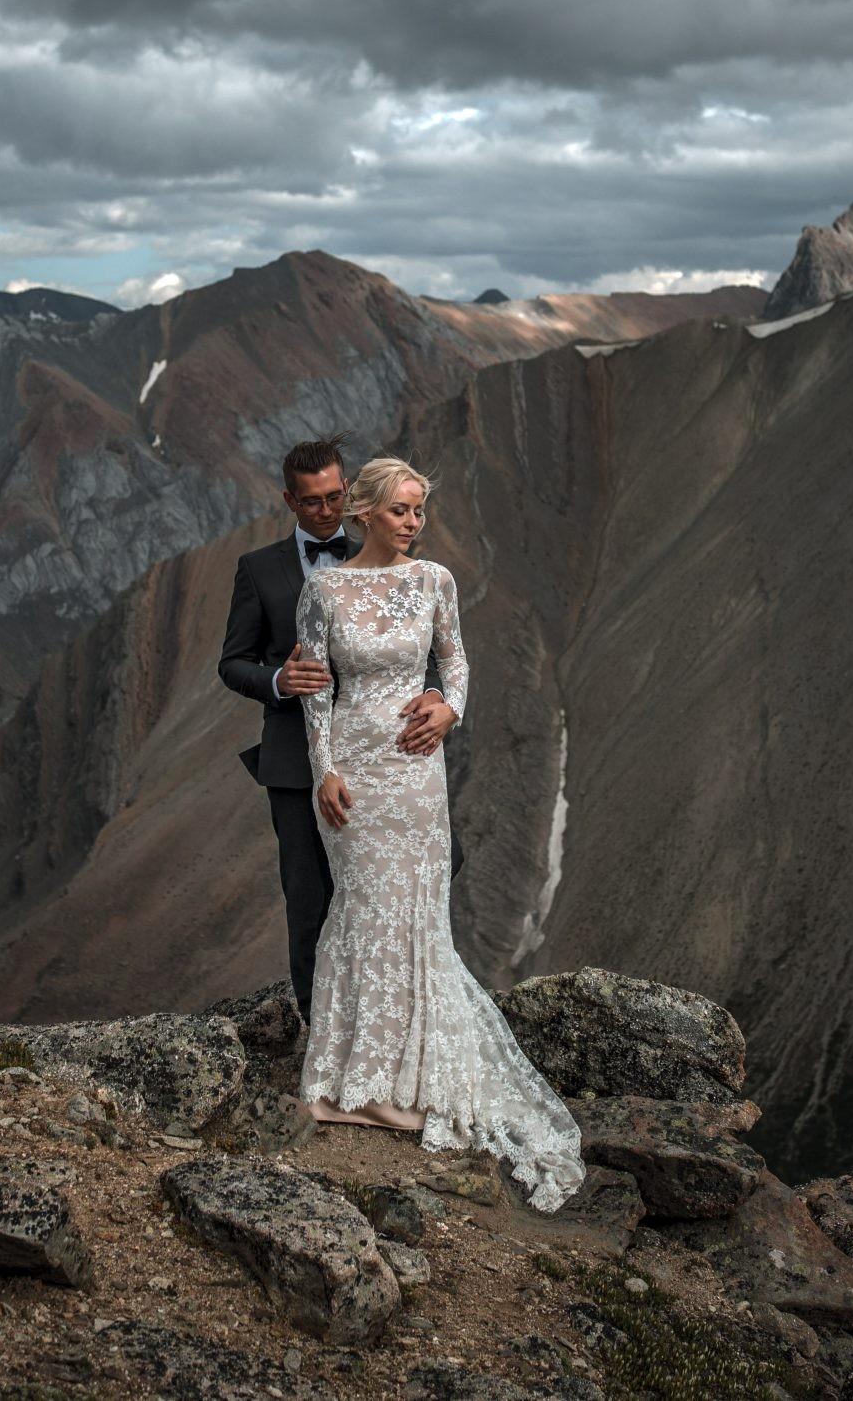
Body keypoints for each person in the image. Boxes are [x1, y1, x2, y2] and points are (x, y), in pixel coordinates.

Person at [290, 454, 585, 1213]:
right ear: (364, 512)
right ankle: (350, 1083)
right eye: (400, 510)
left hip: (418, 774)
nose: (414, 523)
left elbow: (456, 661)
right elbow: (315, 693)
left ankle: (410, 1082)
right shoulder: (323, 589)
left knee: (417, 915)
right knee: (360, 906)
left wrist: (450, 709)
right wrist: (323, 769)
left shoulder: (435, 583)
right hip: (354, 767)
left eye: (420, 509)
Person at [216, 433, 461, 1028]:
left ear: (349, 493)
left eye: (334, 497)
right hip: (299, 763)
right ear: (290, 501)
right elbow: (232, 662)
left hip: (387, 757)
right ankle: (319, 1031)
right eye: (311, 502)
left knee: (413, 880)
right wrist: (280, 680)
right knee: (310, 899)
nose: (324, 511)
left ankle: (394, 1022)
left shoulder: (381, 556)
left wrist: (437, 695)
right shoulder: (260, 570)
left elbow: (426, 652)